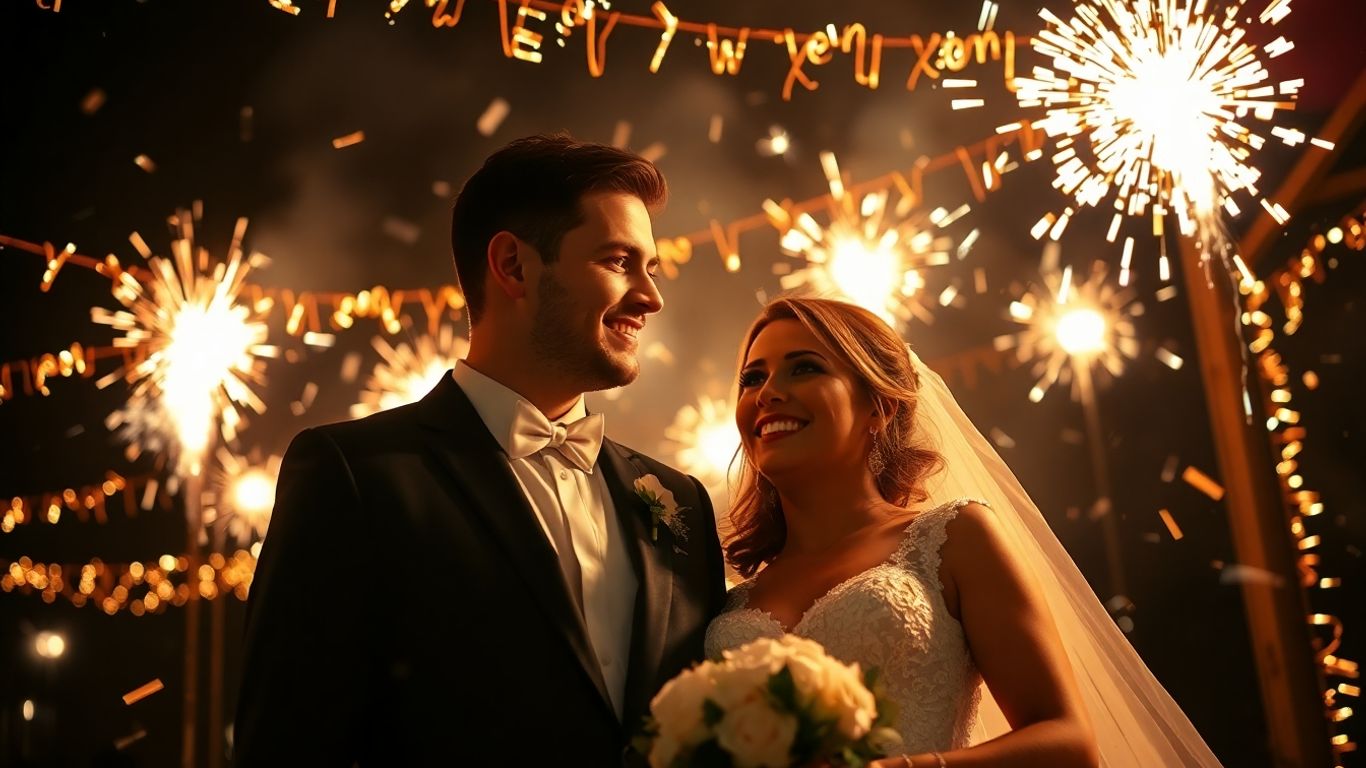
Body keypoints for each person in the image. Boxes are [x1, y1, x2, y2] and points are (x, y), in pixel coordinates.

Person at [235, 134, 727, 766]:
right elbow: (287, 744)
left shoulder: (677, 499)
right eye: (617, 261)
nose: (650, 297)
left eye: (649, 268)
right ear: (514, 266)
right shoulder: (357, 475)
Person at [705, 296, 1223, 767]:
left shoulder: (954, 537)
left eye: (804, 368)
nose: (769, 392)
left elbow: (1068, 743)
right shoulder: (731, 597)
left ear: (878, 407)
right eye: (753, 378)